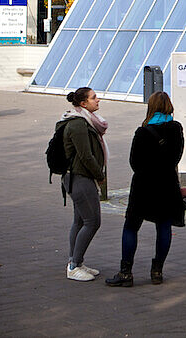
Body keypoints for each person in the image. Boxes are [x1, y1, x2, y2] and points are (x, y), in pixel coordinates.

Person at [106, 91, 186, 288]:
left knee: (131, 226)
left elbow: (134, 162)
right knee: (164, 226)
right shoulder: (176, 128)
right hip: (167, 184)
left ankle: (126, 273)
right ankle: (157, 271)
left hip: (143, 185)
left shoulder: (142, 132)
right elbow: (176, 157)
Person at [58, 87, 109, 281]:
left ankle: (77, 262)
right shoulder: (78, 124)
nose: (98, 100)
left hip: (78, 176)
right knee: (92, 221)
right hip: (79, 177)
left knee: (80, 221)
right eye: (94, 97)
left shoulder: (83, 120)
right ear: (83, 103)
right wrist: (99, 175)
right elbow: (86, 156)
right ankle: (73, 266)